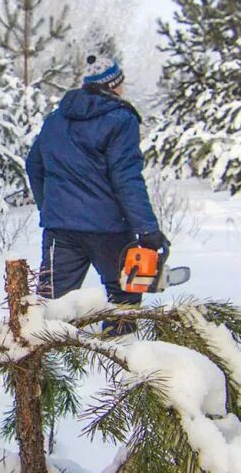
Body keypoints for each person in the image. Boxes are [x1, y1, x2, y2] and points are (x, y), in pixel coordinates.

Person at [25, 53, 169, 306]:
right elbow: (126, 177)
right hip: (109, 229)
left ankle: (43, 344)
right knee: (123, 296)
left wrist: (48, 206)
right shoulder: (121, 119)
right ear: (113, 86)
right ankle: (119, 344)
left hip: (61, 229)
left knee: (50, 302)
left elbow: (34, 165)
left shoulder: (56, 119)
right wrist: (147, 229)